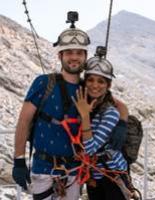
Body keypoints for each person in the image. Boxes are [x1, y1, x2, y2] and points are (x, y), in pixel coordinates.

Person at [12, 14, 91, 200]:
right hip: (43, 170)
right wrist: (18, 160)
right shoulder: (43, 83)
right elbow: (24, 121)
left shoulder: (87, 89)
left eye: (79, 53)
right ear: (60, 55)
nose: (74, 57)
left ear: (85, 57)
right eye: (69, 52)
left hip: (74, 173)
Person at [73, 52, 130, 200]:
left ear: (108, 85)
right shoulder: (88, 107)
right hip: (95, 176)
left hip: (112, 175)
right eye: (90, 80)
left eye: (101, 81)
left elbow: (90, 148)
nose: (95, 85)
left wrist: (84, 116)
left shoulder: (110, 113)